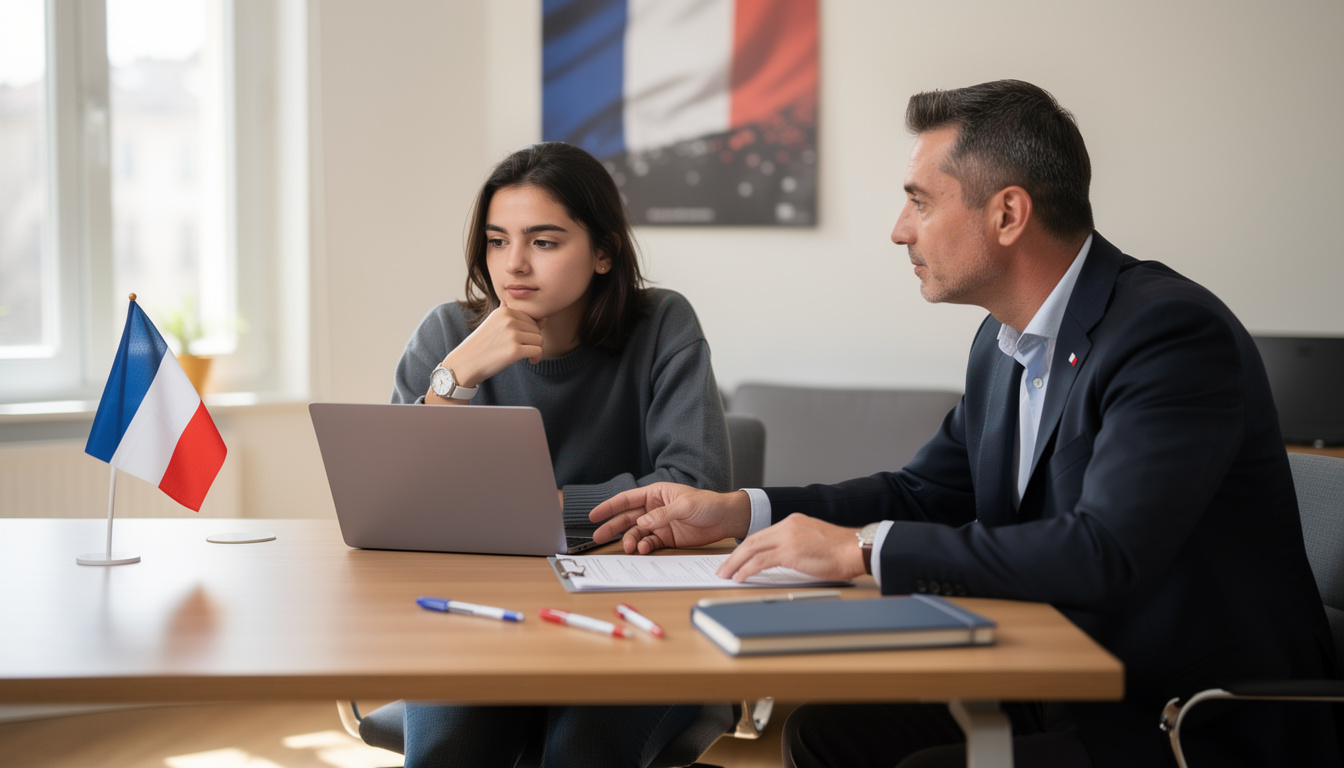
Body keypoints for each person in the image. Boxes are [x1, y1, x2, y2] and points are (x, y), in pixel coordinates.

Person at [592, 80, 1341, 767]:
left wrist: (857, 551)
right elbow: (923, 494)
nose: (898, 230)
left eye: (919, 201)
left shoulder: (1167, 335)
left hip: (1184, 716)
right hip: (1059, 677)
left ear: (1007, 213)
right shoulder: (1003, 340)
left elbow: (1105, 552)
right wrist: (742, 509)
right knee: (826, 733)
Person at [392, 141, 732, 767]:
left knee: (582, 754)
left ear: (603, 252)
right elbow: (396, 503)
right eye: (497, 241)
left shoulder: (663, 324)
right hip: (481, 618)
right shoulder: (447, 335)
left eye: (544, 242)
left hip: (632, 619)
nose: (513, 266)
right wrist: (454, 380)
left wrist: (528, 511)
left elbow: (693, 486)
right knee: (446, 753)